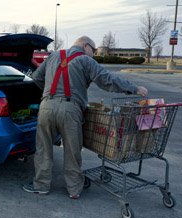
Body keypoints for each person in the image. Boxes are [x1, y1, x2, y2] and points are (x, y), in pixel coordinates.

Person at [22, 36, 148, 199]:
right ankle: (74, 189)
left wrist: (48, 92)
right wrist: (134, 88)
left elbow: (37, 77)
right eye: (93, 50)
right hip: (71, 109)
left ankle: (41, 185)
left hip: (46, 107)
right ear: (85, 46)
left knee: (43, 148)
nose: (94, 54)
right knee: (72, 150)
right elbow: (107, 80)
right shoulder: (85, 61)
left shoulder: (53, 56)